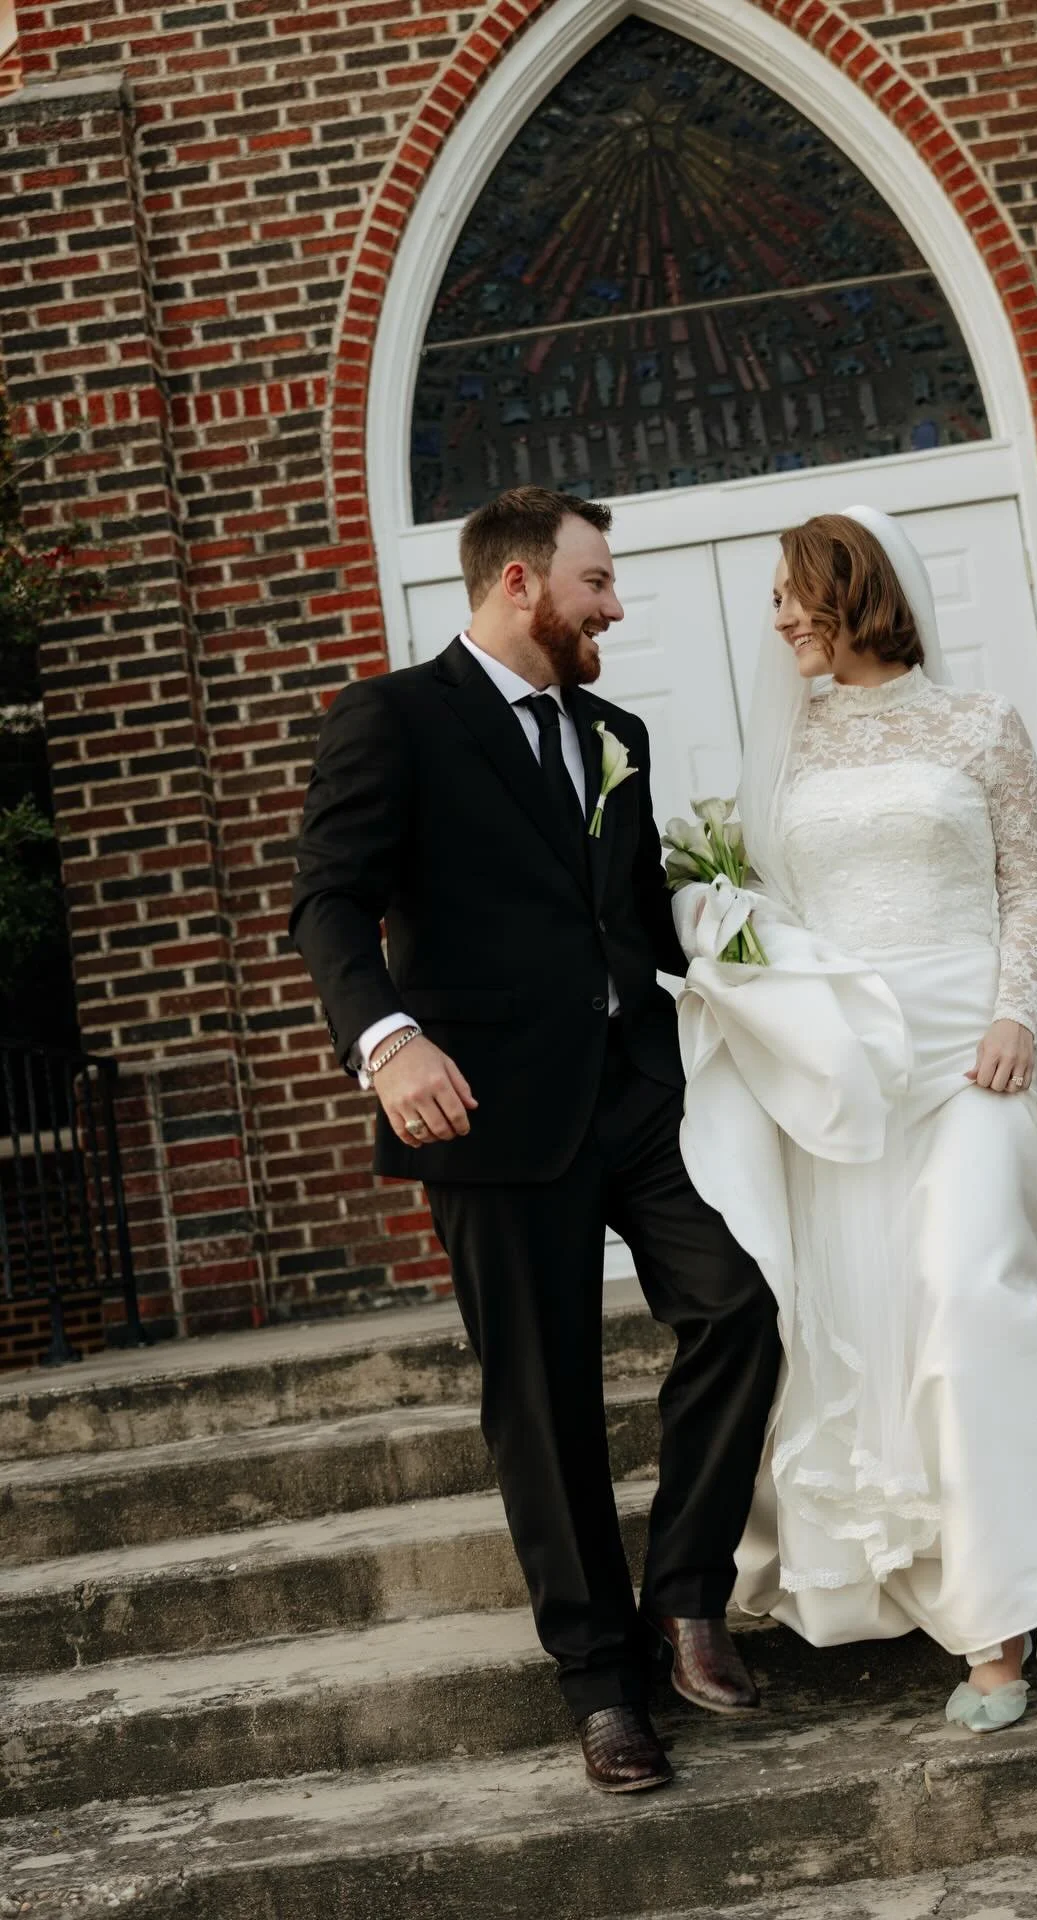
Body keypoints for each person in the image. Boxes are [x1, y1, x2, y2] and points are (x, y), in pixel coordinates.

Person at [289, 485, 781, 1792]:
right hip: (485, 1110)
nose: (613, 606)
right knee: (545, 1403)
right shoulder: (393, 719)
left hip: (634, 1096)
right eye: (596, 583)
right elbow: (328, 904)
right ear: (521, 584)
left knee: (736, 1307)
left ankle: (686, 1595)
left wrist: (754, 942)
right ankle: (603, 1686)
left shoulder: (612, 729)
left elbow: (623, 919)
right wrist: (388, 1044)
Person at [672, 507, 1037, 1733]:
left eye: (791, 593)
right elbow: (769, 911)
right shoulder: (790, 756)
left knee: (977, 1294)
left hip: (974, 1055)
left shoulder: (982, 725)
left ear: (852, 588)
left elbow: (1028, 884)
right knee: (895, 1329)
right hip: (858, 1080)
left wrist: (1017, 1016)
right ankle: (1000, 1627)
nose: (774, 618)